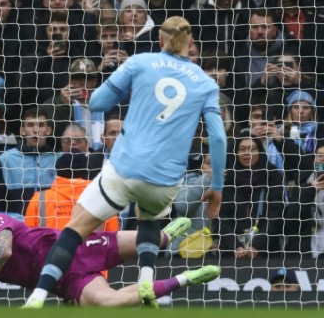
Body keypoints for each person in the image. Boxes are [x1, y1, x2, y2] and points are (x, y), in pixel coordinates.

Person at [24, 16, 227, 308]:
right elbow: (218, 138)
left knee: (75, 229)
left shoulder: (139, 62)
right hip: (165, 180)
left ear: (159, 40)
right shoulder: (206, 84)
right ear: (191, 43)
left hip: (125, 168)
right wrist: (217, 187)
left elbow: (96, 103)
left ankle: (38, 296)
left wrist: (121, 89)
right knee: (150, 219)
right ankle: (145, 284)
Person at [0, 194, 220, 307]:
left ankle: (166, 235)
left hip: (74, 247)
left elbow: (3, 251)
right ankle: (185, 278)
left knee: (149, 242)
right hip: (67, 281)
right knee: (108, 302)